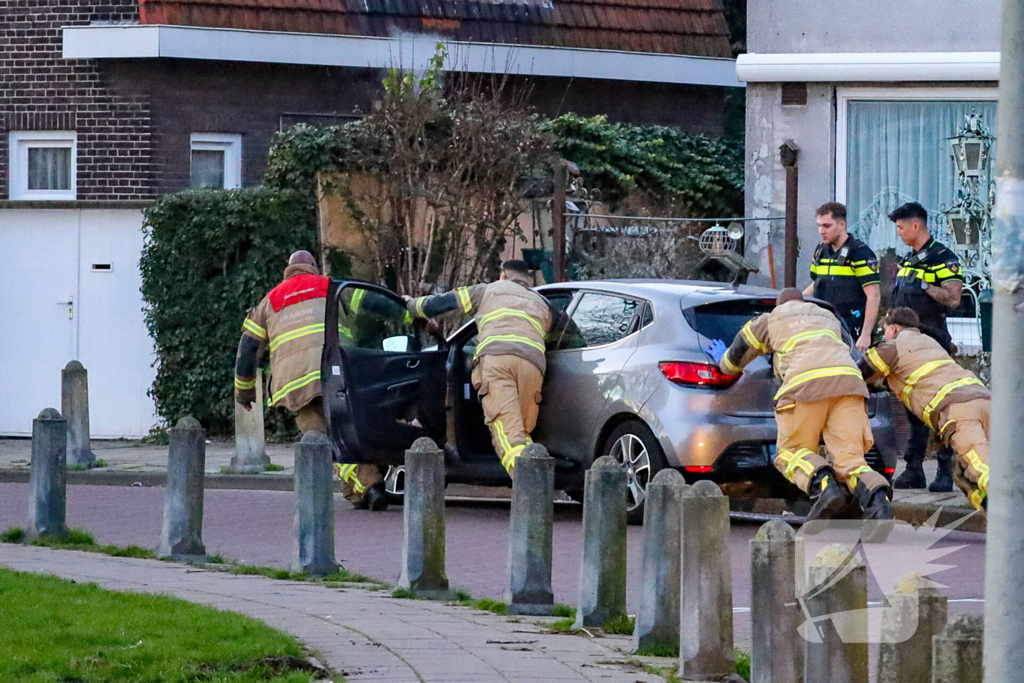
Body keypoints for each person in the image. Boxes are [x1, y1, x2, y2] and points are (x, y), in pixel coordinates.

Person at [707, 288, 893, 528]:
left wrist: (724, 361)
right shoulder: (829, 318)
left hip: (805, 387)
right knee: (851, 460)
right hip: (848, 385)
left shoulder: (770, 319)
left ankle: (823, 485)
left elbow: (739, 351)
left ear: (779, 305)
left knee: (790, 452)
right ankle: (879, 501)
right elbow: (845, 350)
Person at [234, 250, 387, 510]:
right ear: (314, 267)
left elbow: (248, 351)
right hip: (337, 374)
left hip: (297, 386)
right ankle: (364, 489)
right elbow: (374, 302)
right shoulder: (331, 287)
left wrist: (245, 393)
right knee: (344, 432)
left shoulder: (269, 302)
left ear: (287, 270)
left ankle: (369, 488)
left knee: (326, 439)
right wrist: (412, 312)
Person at [404, 260, 553, 477]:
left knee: (509, 438)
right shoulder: (541, 303)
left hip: (498, 363)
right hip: (533, 367)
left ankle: (530, 491)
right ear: (528, 280)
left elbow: (438, 305)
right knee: (521, 433)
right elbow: (566, 334)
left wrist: (409, 305)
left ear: (502, 275)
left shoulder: (486, 291)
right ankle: (533, 488)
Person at [859, 307, 989, 511]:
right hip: (985, 401)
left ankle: (1011, 520)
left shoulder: (893, 347)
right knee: (965, 474)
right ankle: (1001, 528)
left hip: (957, 410)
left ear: (893, 329)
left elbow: (860, 374)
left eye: (884, 330)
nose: (884, 334)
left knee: (983, 470)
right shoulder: (930, 343)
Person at [888, 202, 963, 493]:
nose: (899, 233)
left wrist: (925, 287)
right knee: (912, 409)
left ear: (916, 225)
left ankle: (945, 471)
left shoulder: (942, 257)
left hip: (933, 345)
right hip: (907, 347)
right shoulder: (908, 260)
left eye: (901, 227)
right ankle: (914, 469)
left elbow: (953, 298)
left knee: (940, 409)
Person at [803, 202, 881, 351]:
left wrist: (866, 334)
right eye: (819, 226)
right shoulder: (820, 250)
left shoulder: (860, 253)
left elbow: (874, 295)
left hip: (849, 329)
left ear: (842, 224)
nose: (821, 231)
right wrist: (794, 302)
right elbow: (816, 283)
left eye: (826, 226)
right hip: (823, 327)